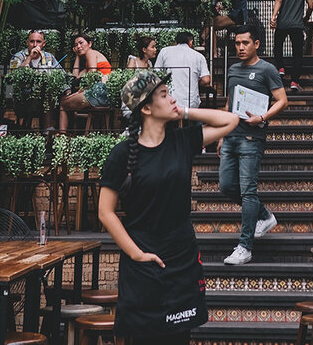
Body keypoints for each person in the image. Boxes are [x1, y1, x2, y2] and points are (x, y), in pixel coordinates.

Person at [99, 70, 239, 343]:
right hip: (144, 260)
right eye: (164, 95)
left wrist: (185, 112)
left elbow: (230, 121)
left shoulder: (182, 141)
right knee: (144, 337)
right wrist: (136, 254)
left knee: (179, 337)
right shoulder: (122, 154)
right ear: (147, 108)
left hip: (181, 256)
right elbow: (105, 212)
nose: (171, 98)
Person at [219, 26, 288, 265]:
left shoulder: (266, 69)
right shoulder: (232, 68)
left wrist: (263, 118)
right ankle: (265, 215)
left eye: (245, 43)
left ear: (256, 44)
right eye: (237, 43)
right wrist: (220, 135)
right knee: (227, 186)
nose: (240, 47)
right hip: (230, 136)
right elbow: (229, 102)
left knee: (248, 191)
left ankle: (245, 246)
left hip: (251, 138)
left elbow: (282, 100)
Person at [270, 0, 313, 91]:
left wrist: (274, 16)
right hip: (297, 25)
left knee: (278, 47)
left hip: (282, 24)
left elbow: (279, 0)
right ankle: (294, 81)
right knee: (297, 54)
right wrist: (306, 17)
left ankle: (281, 68)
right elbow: (311, 5)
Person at [59, 33, 112, 132]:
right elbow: (75, 77)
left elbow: (92, 76)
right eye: (75, 45)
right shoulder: (91, 60)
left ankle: (62, 136)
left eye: (81, 43)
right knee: (66, 100)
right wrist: (77, 56)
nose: (78, 46)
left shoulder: (91, 53)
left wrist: (79, 92)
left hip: (98, 92)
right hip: (104, 95)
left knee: (63, 103)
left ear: (90, 44)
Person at [155, 31, 211, 109]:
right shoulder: (199, 56)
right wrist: (196, 82)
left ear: (176, 42)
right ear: (191, 42)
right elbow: (206, 80)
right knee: (195, 117)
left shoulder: (164, 51)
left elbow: (157, 74)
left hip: (169, 100)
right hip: (190, 102)